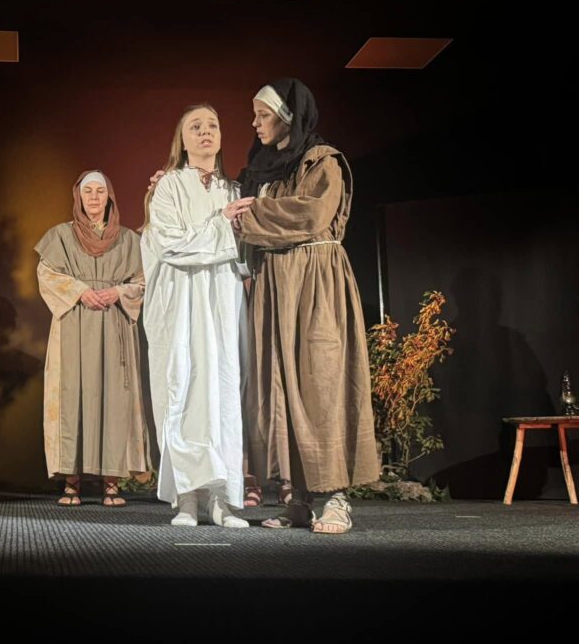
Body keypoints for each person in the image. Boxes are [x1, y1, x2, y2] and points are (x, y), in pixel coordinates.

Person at [235, 78, 379, 533]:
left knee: (321, 384)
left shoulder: (323, 161)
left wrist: (250, 215)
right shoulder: (263, 168)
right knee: (280, 387)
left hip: (315, 281)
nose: (255, 123)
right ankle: (298, 498)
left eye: (263, 115)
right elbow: (235, 206)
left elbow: (311, 214)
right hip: (275, 285)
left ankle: (336, 498)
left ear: (288, 117)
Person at [141, 105, 252, 528]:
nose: (206, 132)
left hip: (221, 303)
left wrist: (236, 230)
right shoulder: (168, 186)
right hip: (181, 304)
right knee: (183, 391)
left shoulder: (234, 189)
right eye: (196, 126)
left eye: (213, 126)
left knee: (222, 394)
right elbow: (170, 244)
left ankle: (222, 499)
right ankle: (187, 497)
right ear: (182, 139)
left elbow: (245, 255)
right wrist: (222, 223)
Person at [35, 170, 151, 507]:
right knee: (73, 396)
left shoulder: (128, 240)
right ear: (79, 197)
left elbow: (143, 280)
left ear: (109, 196)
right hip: (74, 323)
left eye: (100, 191)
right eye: (88, 192)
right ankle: (71, 483)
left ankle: (111, 483)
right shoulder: (60, 236)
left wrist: (118, 292)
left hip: (114, 325)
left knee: (114, 399)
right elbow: (47, 274)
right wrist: (80, 291)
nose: (94, 197)